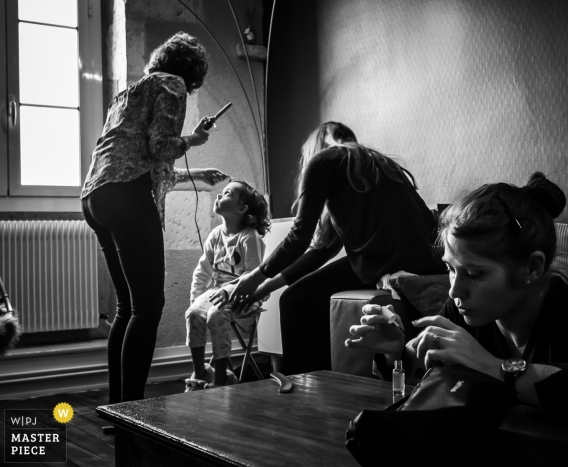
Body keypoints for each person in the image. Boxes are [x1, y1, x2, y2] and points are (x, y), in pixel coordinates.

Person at [347, 172, 568, 428]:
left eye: (475, 274)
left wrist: (496, 369)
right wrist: (397, 353)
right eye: (451, 270)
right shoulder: (461, 312)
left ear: (532, 268)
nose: (454, 290)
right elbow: (428, 380)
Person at [81, 32, 229, 411]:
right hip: (127, 197)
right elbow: (161, 146)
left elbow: (138, 161)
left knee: (128, 308)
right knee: (148, 308)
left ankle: (116, 408)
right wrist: (193, 139)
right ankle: (131, 412)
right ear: (191, 72)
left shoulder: (128, 94)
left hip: (96, 197)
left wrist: (197, 172)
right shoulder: (172, 84)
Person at [225, 122, 444, 375]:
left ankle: (302, 385)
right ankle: (320, 376)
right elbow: (320, 252)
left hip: (387, 261)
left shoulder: (326, 159)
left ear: (318, 147)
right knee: (299, 295)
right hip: (424, 259)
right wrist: (261, 289)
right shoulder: (374, 163)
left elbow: (299, 237)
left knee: (295, 302)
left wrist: (254, 277)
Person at [184, 180, 270, 391]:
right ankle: (200, 372)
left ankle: (220, 378)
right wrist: (196, 298)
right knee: (194, 313)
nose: (219, 196)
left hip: (247, 293)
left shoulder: (249, 237)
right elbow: (203, 269)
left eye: (227, 193)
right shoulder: (215, 235)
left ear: (241, 208)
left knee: (216, 315)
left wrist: (229, 290)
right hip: (217, 290)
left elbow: (253, 275)